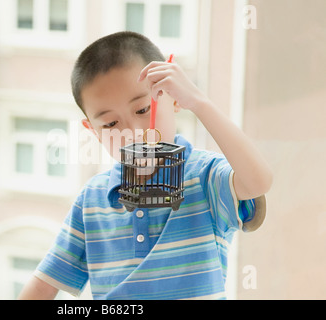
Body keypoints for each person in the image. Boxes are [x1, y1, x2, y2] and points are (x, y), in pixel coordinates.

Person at [18, 31, 272, 300]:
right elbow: (43, 285)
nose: (134, 132)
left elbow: (259, 181)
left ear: (174, 99)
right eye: (110, 124)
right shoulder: (91, 200)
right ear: (93, 131)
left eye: (142, 110)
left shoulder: (204, 177)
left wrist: (199, 102)